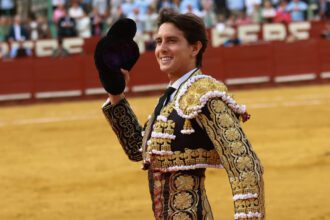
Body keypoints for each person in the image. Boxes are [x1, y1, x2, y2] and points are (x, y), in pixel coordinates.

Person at [101, 9, 265, 219]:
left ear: (195, 47)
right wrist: (116, 95)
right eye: (159, 41)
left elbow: (245, 167)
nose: (162, 49)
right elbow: (138, 150)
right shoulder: (172, 98)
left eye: (171, 41)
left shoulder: (205, 94)